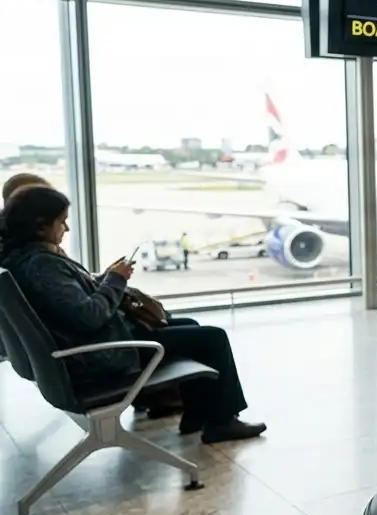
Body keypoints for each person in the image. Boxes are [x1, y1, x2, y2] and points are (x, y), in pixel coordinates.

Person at [0, 186, 266, 443]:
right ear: (39, 225)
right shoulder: (42, 266)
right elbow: (90, 316)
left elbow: (67, 304)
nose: (66, 229)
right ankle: (221, 422)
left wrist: (104, 280)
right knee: (212, 338)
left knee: (190, 326)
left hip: (83, 349)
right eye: (61, 222)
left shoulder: (19, 260)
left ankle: (198, 415)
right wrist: (115, 281)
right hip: (98, 357)